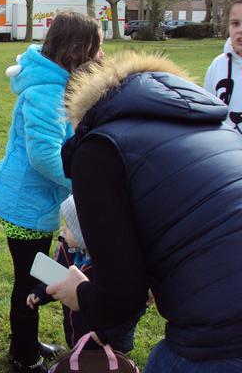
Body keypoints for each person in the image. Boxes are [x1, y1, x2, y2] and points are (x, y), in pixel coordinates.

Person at [47, 51, 242, 372]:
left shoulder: (99, 146)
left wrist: (79, 293)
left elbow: (121, 299)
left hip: (220, 331)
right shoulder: (209, 118)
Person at [0, 11, 104, 372]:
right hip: (24, 205)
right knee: (29, 280)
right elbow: (43, 156)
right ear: (76, 50)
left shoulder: (58, 83)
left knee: (38, 272)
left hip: (36, 203)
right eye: (96, 49)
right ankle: (23, 355)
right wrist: (81, 181)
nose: (100, 55)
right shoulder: (46, 92)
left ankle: (28, 341)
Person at [27, 196, 146, 354]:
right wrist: (41, 292)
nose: (63, 229)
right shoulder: (69, 250)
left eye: (69, 227)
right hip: (77, 332)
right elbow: (60, 277)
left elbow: (131, 309)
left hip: (106, 343)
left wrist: (108, 334)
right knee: (81, 358)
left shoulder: (113, 269)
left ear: (87, 233)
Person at [204, 0, 242, 132]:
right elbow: (207, 113)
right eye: (235, 23)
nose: (240, 30)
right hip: (226, 150)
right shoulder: (218, 65)